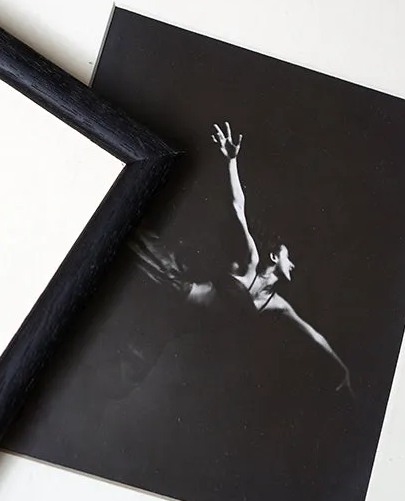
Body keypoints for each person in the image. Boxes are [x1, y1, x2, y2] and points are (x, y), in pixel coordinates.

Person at [119, 122, 352, 395]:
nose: (294, 265)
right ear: (275, 255)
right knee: (127, 238)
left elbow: (313, 335)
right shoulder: (251, 259)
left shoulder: (275, 304)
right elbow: (238, 207)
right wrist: (232, 160)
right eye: (290, 258)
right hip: (173, 285)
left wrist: (341, 367)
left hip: (176, 323)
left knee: (129, 372)